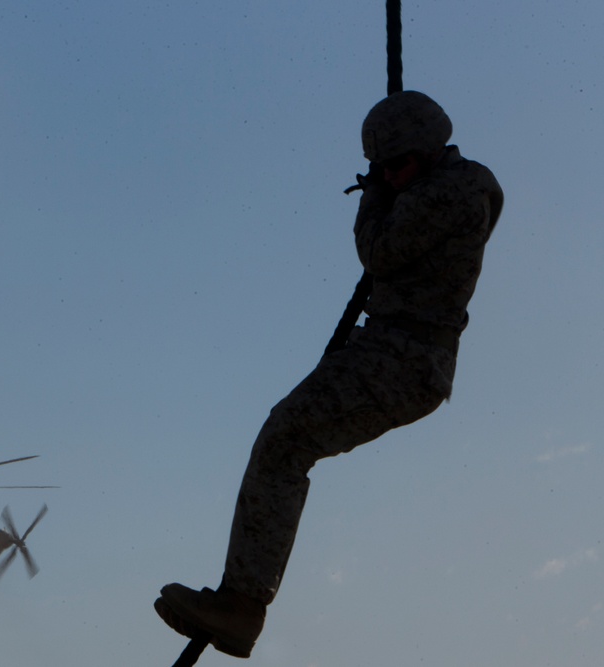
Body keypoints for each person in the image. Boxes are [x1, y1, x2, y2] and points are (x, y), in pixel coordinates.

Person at [154, 91, 504, 659]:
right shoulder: (444, 182)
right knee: (282, 440)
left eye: (398, 164)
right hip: (395, 351)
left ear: (432, 148)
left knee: (285, 441)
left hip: (405, 356)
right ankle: (239, 602)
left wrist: (371, 196)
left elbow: (379, 252)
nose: (391, 175)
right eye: (383, 168)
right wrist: (387, 186)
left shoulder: (452, 188)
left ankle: (242, 605)